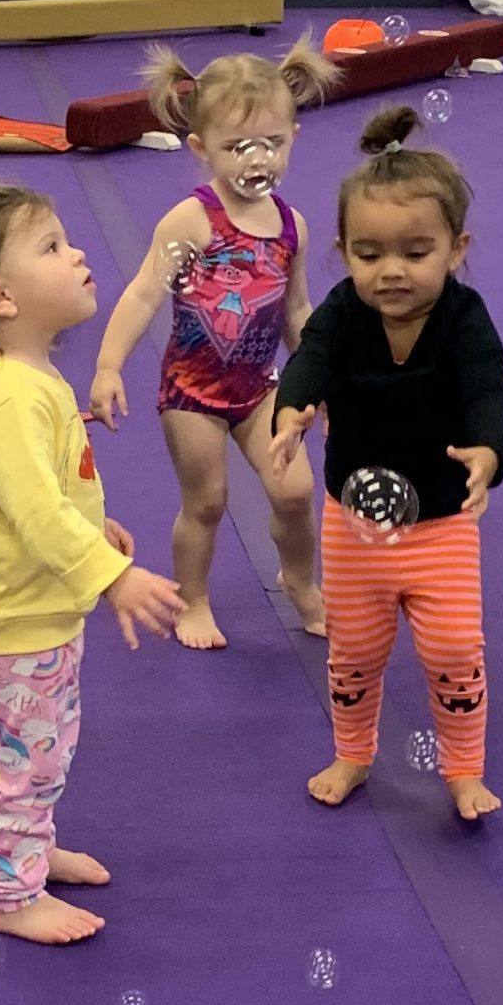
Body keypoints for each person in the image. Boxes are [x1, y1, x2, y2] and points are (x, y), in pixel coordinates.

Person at [0, 184, 182, 946]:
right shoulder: (9, 399)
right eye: (53, 248)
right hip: (6, 632)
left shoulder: (30, 379)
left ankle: (32, 845)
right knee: (22, 767)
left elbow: (41, 498)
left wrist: (99, 531)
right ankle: (9, 892)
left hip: (30, 619)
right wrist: (111, 576)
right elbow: (35, 515)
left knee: (45, 749)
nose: (79, 253)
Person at [273, 105, 503, 823]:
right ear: (344, 251)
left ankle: (463, 768)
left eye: (416, 251)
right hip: (355, 526)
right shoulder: (343, 314)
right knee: (354, 653)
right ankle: (353, 751)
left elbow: (487, 389)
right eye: (369, 253)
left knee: (452, 651)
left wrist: (487, 451)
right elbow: (309, 359)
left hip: (441, 525)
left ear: (456, 246)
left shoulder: (465, 320)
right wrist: (294, 409)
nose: (392, 271)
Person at [88, 40, 334, 646]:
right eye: (237, 147)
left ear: (293, 138)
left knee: (297, 491)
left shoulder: (290, 225)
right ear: (201, 149)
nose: (258, 159)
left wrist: (320, 376)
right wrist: (108, 366)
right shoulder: (190, 222)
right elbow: (145, 292)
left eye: (272, 143)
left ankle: (299, 579)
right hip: (192, 393)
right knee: (207, 501)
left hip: (259, 389)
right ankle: (192, 599)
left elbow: (296, 307)